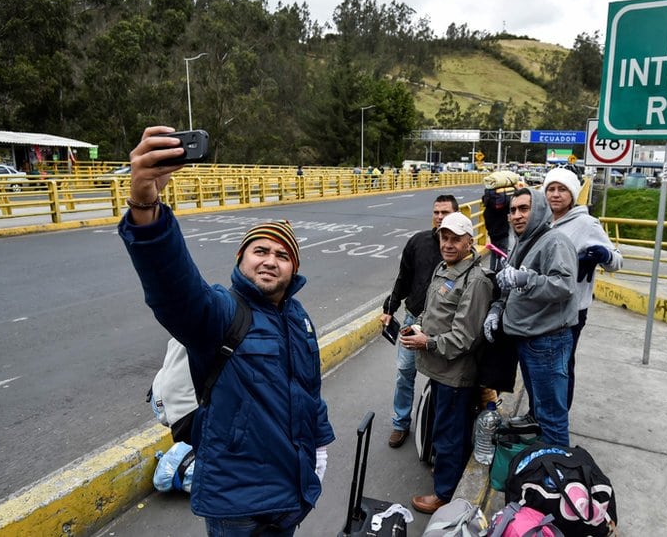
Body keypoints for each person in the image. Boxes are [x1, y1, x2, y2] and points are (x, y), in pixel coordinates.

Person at [119, 126, 334, 536]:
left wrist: (319, 449)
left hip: (293, 492)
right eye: (260, 250)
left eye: (282, 255)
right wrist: (146, 206)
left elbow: (309, 391)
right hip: (238, 505)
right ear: (241, 259)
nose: (270, 260)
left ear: (295, 269)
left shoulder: (300, 318)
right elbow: (173, 288)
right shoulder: (220, 311)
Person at [399, 212, 494, 514]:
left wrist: (426, 342)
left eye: (456, 239)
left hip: (455, 373)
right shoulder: (445, 268)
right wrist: (419, 328)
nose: (448, 244)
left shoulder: (475, 280)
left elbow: (465, 338)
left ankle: (445, 494)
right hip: (439, 369)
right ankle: (447, 474)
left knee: (448, 432)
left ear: (470, 242)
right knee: (445, 427)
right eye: (444, 237)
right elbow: (435, 313)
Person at [483, 188, 578, 446]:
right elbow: (509, 285)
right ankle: (544, 455)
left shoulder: (554, 242)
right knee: (540, 407)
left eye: (524, 209)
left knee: (552, 416)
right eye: (513, 210)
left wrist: (527, 279)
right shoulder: (522, 243)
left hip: (548, 341)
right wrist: (496, 309)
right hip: (528, 340)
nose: (516, 216)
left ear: (538, 210)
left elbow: (565, 285)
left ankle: (557, 471)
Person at [380, 194, 458, 448]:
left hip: (444, 326)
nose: (439, 217)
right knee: (405, 372)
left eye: (445, 212)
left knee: (440, 382)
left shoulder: (459, 249)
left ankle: (434, 432)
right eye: (436, 212)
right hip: (413, 320)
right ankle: (401, 423)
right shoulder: (418, 242)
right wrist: (390, 308)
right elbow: (403, 278)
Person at [542, 167, 623, 408]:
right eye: (551, 189)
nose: (556, 195)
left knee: (562, 366)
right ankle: (537, 414)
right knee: (540, 365)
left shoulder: (587, 223)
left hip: (572, 310)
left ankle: (558, 418)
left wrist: (604, 254)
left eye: (562, 189)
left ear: (573, 193)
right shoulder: (540, 221)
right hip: (541, 306)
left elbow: (617, 261)